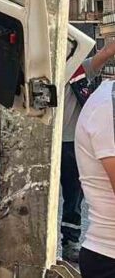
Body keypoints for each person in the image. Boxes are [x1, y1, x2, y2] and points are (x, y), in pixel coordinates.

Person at [63, 44, 115, 262]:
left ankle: (70, 241)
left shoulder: (77, 70)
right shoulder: (37, 74)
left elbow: (104, 54)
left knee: (74, 195)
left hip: (74, 142)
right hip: (50, 142)